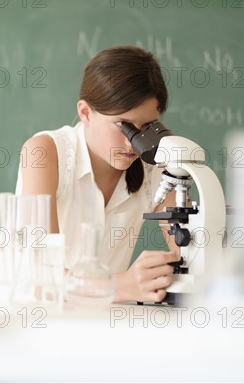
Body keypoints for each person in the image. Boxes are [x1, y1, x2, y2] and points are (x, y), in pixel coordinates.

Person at [16, 45, 180, 303]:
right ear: (85, 113)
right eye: (123, 126)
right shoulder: (44, 153)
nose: (132, 143)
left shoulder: (155, 168)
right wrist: (120, 285)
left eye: (146, 128)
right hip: (35, 321)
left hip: (107, 327)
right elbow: (41, 275)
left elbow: (192, 253)